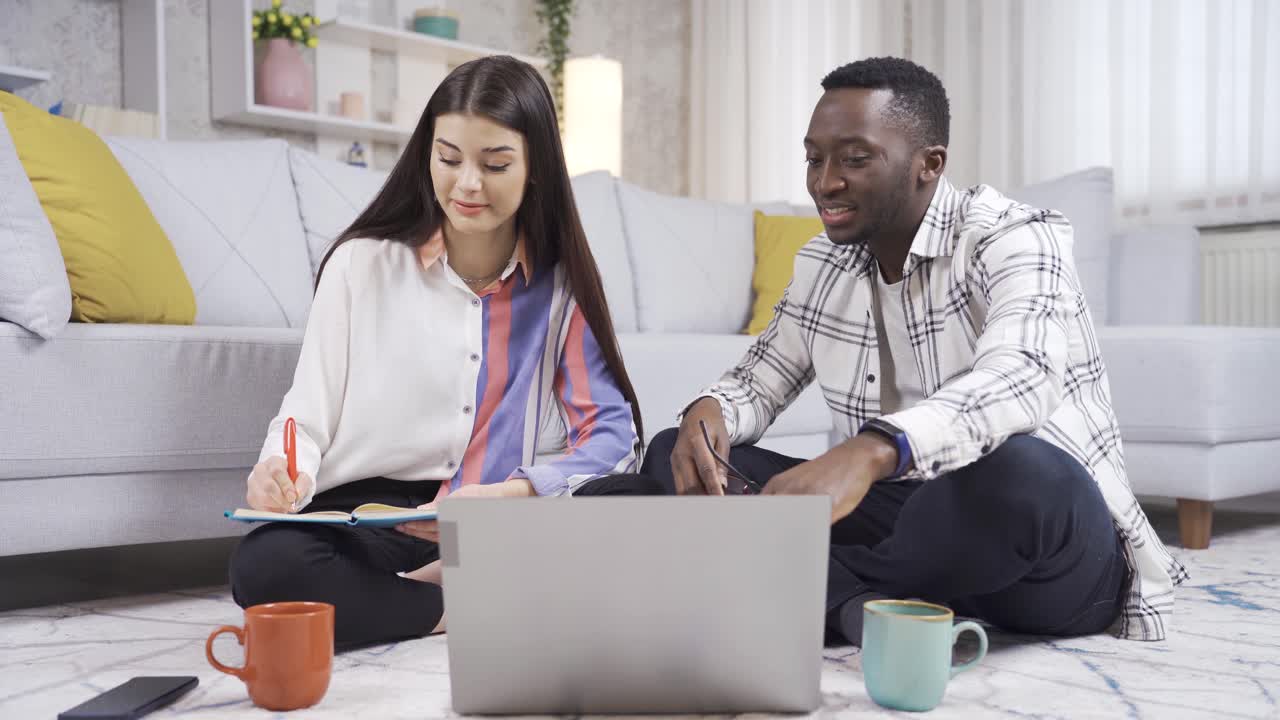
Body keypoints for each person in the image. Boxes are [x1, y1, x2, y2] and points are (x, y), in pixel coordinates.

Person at [642, 57, 1187, 644]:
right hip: (912, 530)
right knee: (680, 454)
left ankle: (789, 582)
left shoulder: (1016, 235)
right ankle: (859, 604)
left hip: (1042, 556)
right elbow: (758, 379)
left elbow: (1021, 376)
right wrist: (712, 409)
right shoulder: (823, 262)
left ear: (929, 164)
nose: (824, 182)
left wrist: (877, 449)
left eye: (854, 159)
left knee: (1024, 471)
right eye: (814, 158)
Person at [229, 55, 660, 650]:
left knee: (645, 496)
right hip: (377, 510)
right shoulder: (361, 264)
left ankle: (425, 593)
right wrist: (281, 472)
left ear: (536, 168)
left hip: (497, 517)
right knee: (268, 568)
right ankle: (462, 603)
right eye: (449, 158)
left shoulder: (562, 289)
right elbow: (307, 412)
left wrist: (509, 495)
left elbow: (612, 438)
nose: (467, 185)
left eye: (496, 164)